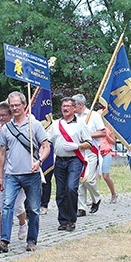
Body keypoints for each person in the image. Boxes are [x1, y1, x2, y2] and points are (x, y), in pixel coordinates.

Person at [0, 92, 50, 253]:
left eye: (17, 105)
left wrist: (39, 161)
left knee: (33, 208)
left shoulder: (35, 125)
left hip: (31, 174)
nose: (15, 108)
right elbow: (2, 152)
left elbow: (46, 146)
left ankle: (31, 240)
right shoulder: (6, 129)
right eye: (12, 105)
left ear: (24, 105)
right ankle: (4, 241)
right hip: (12, 174)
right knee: (7, 206)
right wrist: (1, 176)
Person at [48, 97, 92, 231]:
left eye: (68, 106)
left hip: (74, 160)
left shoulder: (81, 124)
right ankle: (63, 220)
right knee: (60, 192)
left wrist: (77, 145)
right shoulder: (55, 124)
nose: (65, 109)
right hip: (60, 160)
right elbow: (47, 141)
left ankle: (72, 219)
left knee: (71, 188)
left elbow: (89, 143)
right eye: (63, 106)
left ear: (74, 108)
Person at [0, 101, 28, 244]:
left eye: (4, 115)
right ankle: (0, 237)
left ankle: (23, 223)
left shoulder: (16, 130)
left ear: (10, 115)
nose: (1, 118)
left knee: (17, 205)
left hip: (15, 171)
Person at [73, 94, 104, 216]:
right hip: (78, 151)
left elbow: (103, 132)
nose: (72, 108)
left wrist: (87, 135)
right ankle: (81, 207)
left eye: (73, 105)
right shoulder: (73, 117)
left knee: (89, 179)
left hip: (91, 151)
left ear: (80, 105)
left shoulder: (94, 115)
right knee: (80, 180)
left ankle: (96, 198)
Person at [99, 120, 118, 204]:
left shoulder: (110, 128)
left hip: (106, 152)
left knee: (106, 176)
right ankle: (94, 197)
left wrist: (106, 135)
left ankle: (114, 194)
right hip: (96, 152)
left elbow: (113, 142)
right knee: (92, 177)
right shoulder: (95, 127)